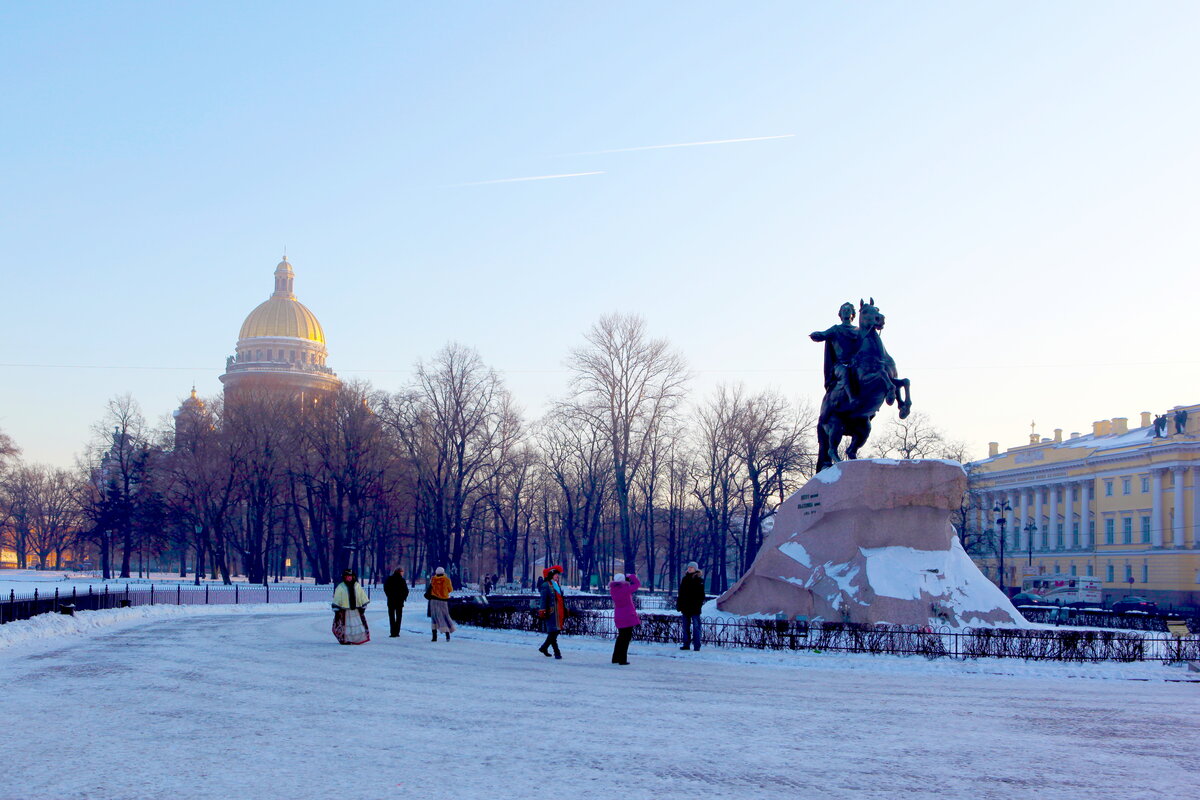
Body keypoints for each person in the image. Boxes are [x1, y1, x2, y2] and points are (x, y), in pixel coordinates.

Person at [609, 572, 641, 665]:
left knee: (621, 637)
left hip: (618, 615)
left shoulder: (613, 590)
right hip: (627, 616)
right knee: (626, 638)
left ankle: (615, 658)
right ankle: (622, 659)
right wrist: (632, 576)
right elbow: (637, 584)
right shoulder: (625, 589)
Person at [331, 569, 370, 645]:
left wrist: (363, 605)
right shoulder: (341, 587)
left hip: (356, 610)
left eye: (350, 576)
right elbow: (337, 598)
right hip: (345, 611)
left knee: (356, 625)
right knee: (346, 627)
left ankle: (356, 639)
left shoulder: (357, 586)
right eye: (347, 576)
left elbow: (362, 595)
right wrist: (337, 609)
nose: (349, 578)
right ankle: (346, 640)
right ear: (344, 577)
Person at [676, 562, 706, 651]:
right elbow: (681, 593)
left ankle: (697, 645)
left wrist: (698, 605)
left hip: (695, 608)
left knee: (696, 627)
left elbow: (701, 595)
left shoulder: (698, 579)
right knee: (685, 627)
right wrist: (679, 604)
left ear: (695, 569)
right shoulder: (685, 579)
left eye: (691, 567)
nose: (689, 569)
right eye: (689, 567)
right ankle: (686, 644)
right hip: (685, 607)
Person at [537, 565, 566, 659]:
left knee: (554, 632)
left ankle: (544, 648)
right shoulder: (546, 585)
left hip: (559, 612)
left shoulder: (556, 585)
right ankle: (556, 653)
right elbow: (543, 599)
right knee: (553, 632)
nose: (557, 576)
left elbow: (560, 599)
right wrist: (542, 610)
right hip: (551, 612)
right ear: (551, 575)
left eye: (558, 574)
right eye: (556, 574)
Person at [426, 567, 456, 641]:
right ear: (443, 572)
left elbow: (429, 589)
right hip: (443, 601)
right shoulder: (447, 580)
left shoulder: (433, 579)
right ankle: (447, 635)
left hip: (434, 601)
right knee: (445, 616)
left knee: (434, 617)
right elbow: (450, 589)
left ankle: (434, 637)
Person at [383, 567, 409, 637]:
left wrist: (389, 595)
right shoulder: (402, 580)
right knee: (399, 617)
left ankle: (392, 632)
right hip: (399, 602)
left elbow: (385, 588)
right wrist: (403, 598)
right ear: (399, 572)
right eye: (402, 572)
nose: (403, 573)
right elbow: (406, 590)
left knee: (391, 617)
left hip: (391, 601)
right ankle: (397, 632)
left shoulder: (389, 579)